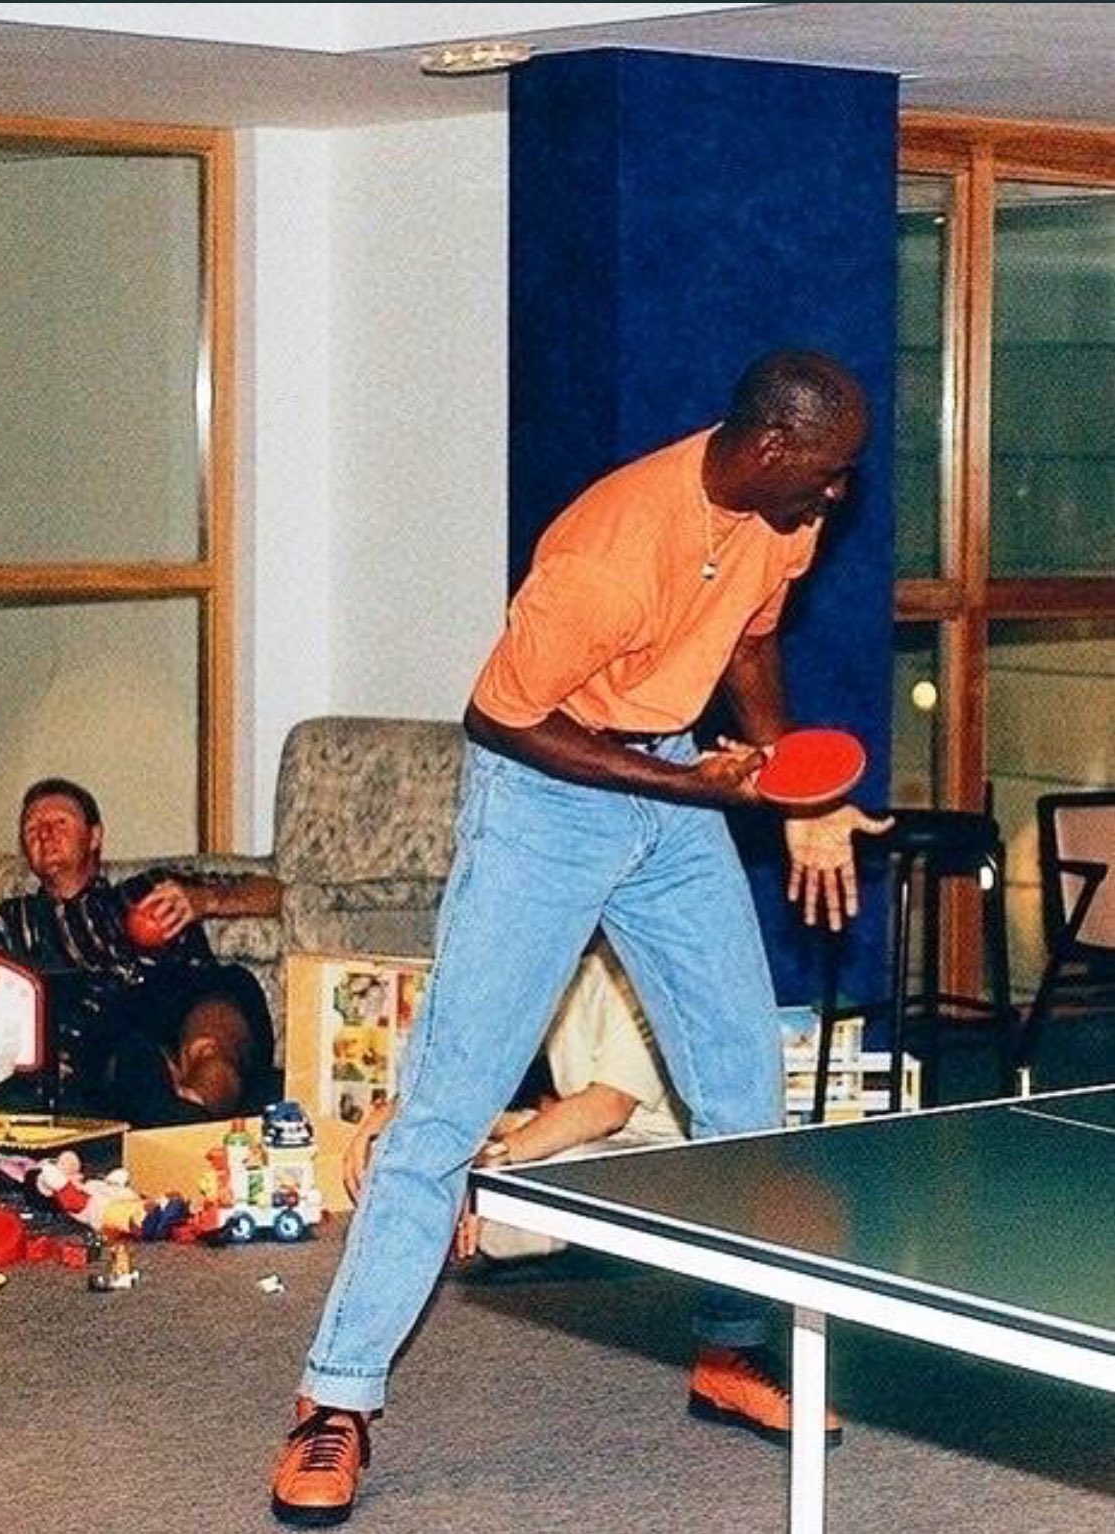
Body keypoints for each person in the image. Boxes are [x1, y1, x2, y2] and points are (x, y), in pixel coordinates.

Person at [271, 350, 892, 1526]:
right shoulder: (607, 552)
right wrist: (722, 795)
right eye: (826, 470)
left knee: (740, 1091)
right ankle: (333, 1399)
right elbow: (500, 721)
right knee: (446, 1111)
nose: (838, 493)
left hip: (668, 786)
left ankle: (726, 1346)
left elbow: (750, 645)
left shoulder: (780, 518)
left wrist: (789, 775)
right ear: (767, 449)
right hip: (541, 802)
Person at [341, 938, 689, 1263]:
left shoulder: (641, 973)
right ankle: (440, 1222)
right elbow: (481, 1063)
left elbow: (608, 1107)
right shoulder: (558, 967)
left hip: (656, 1154)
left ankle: (460, 1225)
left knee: (546, 1175)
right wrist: (399, 1109)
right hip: (584, 1131)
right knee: (426, 1134)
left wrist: (499, 1156)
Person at [0, 777, 275, 1127]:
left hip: (187, 992)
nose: (44, 833)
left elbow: (274, 890)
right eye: (31, 828)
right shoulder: (11, 918)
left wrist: (205, 900)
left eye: (59, 822)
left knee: (209, 1045)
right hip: (103, 1031)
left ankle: (192, 1110)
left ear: (95, 836)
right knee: (130, 1058)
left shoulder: (152, 888)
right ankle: (174, 1118)